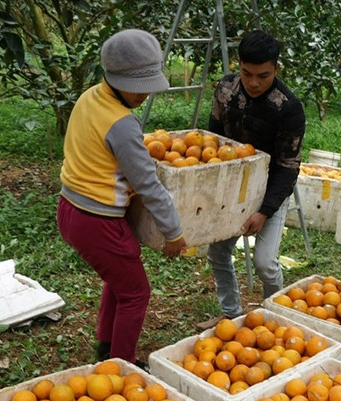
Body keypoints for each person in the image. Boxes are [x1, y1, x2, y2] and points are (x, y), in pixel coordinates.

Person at [57, 29, 187, 366]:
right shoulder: (123, 125)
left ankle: (107, 346)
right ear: (116, 79)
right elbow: (149, 185)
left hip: (70, 207)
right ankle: (123, 365)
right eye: (140, 86)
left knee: (120, 280)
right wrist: (173, 233)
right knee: (137, 292)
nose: (145, 94)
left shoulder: (90, 97)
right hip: (97, 221)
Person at [198, 30, 306, 330]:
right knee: (218, 252)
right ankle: (230, 314)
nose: (254, 83)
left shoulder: (288, 108)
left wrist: (264, 211)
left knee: (265, 263)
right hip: (232, 190)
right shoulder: (225, 91)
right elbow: (214, 142)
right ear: (239, 65)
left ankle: (275, 318)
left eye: (263, 75)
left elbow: (288, 167)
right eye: (247, 73)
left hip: (270, 190)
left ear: (276, 69)